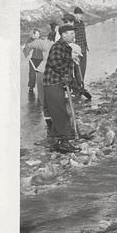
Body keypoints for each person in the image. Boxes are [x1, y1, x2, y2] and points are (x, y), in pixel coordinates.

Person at [42, 24, 79, 153]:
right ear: (64, 35)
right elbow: (55, 62)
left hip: (57, 83)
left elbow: (64, 65)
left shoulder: (66, 47)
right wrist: (66, 75)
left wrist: (72, 81)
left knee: (59, 111)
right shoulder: (58, 46)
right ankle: (64, 142)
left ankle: (54, 142)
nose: (74, 36)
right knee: (60, 112)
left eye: (74, 33)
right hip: (52, 83)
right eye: (72, 33)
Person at [23, 29, 46, 96]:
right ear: (33, 34)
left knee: (41, 73)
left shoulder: (41, 40)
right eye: (38, 34)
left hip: (40, 59)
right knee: (32, 73)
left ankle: (42, 87)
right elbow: (25, 50)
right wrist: (27, 54)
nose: (39, 35)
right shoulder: (29, 40)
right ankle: (31, 87)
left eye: (39, 34)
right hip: (33, 59)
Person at [72, 7, 89, 81]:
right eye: (79, 14)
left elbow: (83, 36)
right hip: (77, 52)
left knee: (83, 69)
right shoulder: (73, 25)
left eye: (81, 14)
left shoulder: (81, 23)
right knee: (78, 71)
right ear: (75, 15)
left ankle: (82, 86)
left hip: (84, 49)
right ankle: (78, 88)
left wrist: (86, 46)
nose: (81, 16)